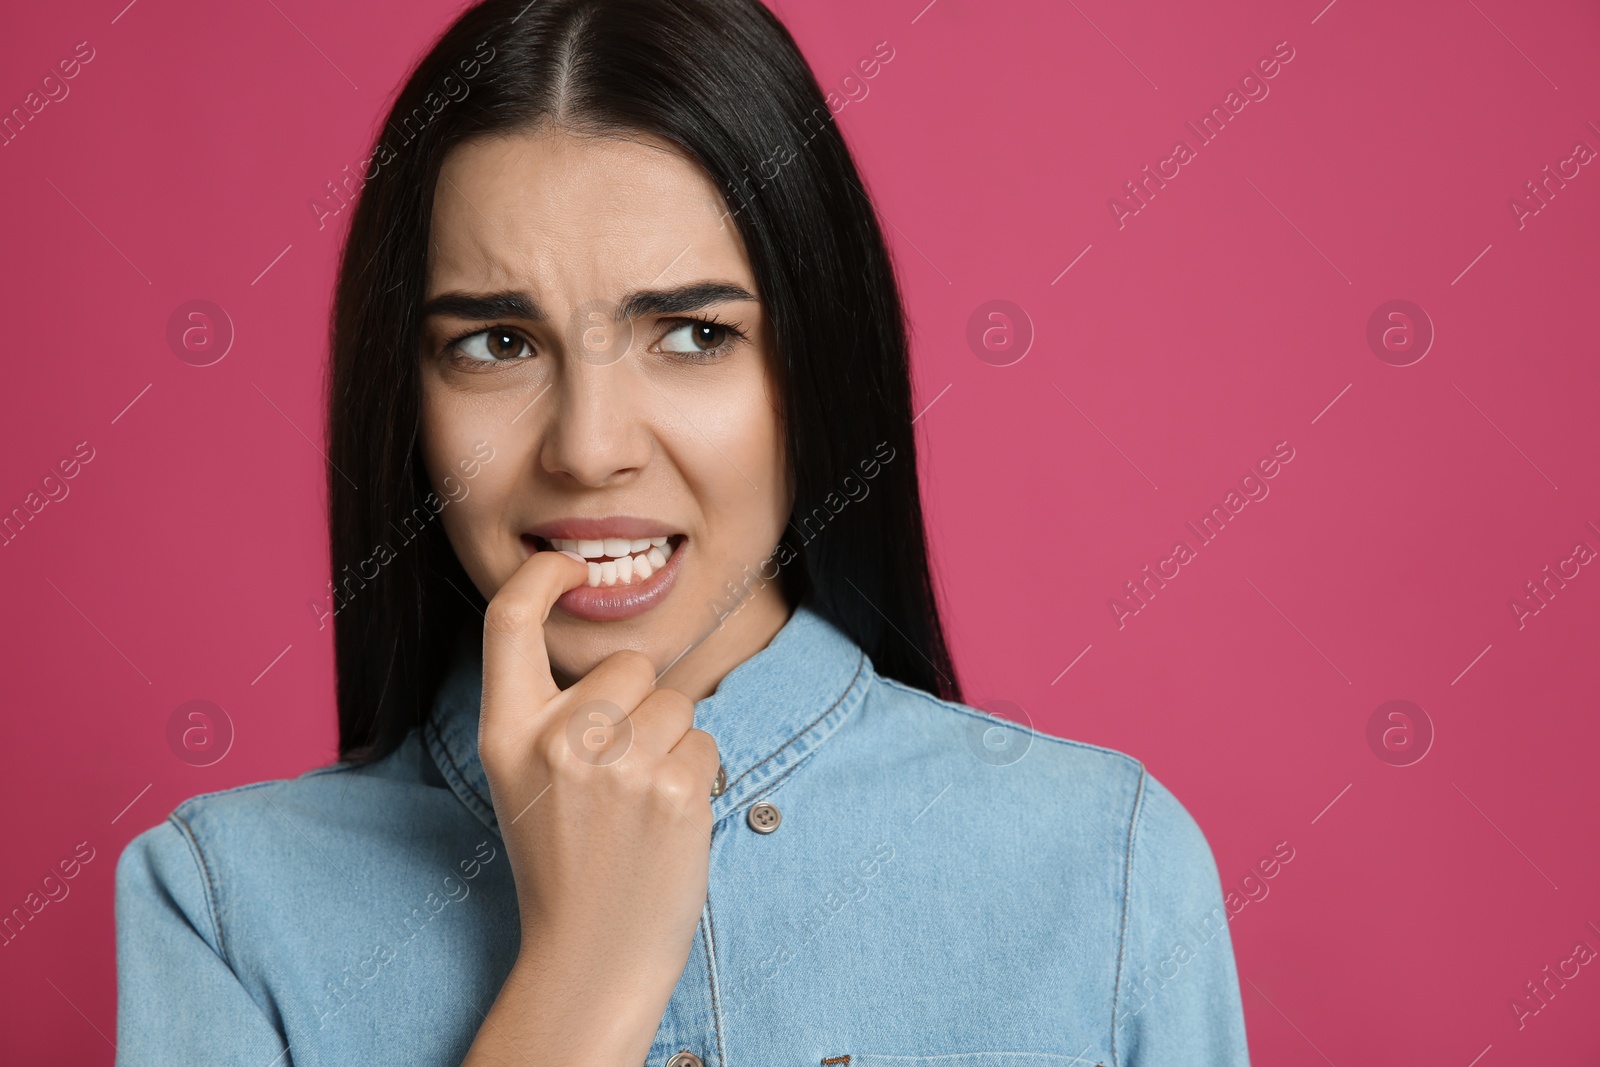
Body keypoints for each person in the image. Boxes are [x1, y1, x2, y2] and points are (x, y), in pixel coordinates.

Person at [114, 1, 1251, 1063]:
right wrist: (581, 972)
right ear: (403, 399)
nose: (589, 445)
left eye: (695, 333)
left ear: (815, 369)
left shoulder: (1104, 868)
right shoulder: (221, 904)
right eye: (497, 344)